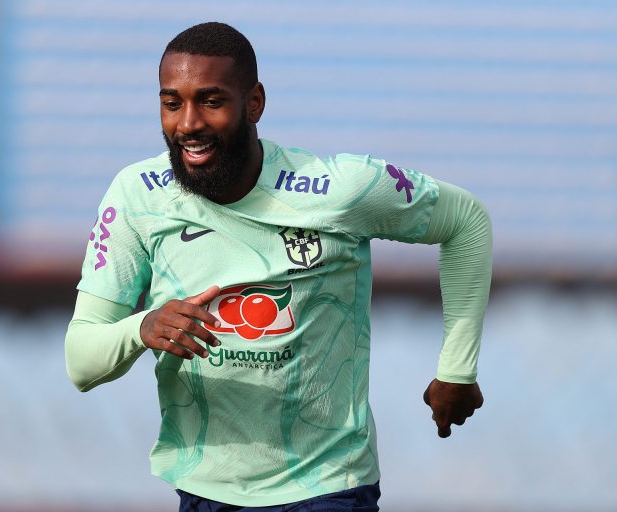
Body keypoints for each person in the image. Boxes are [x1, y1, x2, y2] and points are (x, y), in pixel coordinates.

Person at [65, 21, 491, 512]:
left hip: (327, 488)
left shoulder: (338, 188)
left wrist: (457, 369)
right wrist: (144, 326)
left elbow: (466, 220)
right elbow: (81, 360)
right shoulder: (137, 194)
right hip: (205, 492)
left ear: (254, 103)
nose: (188, 124)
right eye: (171, 103)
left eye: (211, 100)